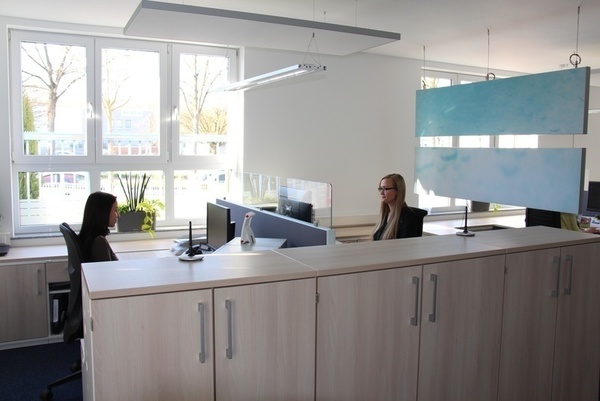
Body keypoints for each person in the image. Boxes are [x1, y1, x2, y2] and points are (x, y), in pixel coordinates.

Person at [373, 173, 422, 240]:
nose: (381, 193)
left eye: (385, 189)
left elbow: (406, 245)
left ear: (397, 191)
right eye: (380, 188)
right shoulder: (385, 215)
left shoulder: (408, 217)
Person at [79, 191, 119, 262]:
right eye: (115, 210)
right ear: (104, 212)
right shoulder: (99, 242)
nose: (118, 215)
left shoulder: (89, 237)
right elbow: (107, 268)